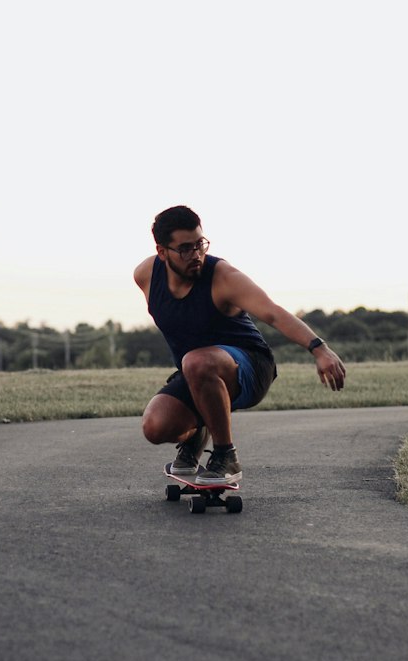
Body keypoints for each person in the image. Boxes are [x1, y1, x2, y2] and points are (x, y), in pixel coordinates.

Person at [134, 205, 346, 483]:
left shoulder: (222, 276)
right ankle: (198, 433)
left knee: (197, 362)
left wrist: (319, 348)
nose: (196, 255)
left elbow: (272, 312)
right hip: (197, 371)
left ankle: (226, 456)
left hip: (251, 366)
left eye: (200, 244)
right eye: (185, 248)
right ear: (162, 252)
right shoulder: (146, 276)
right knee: (156, 426)